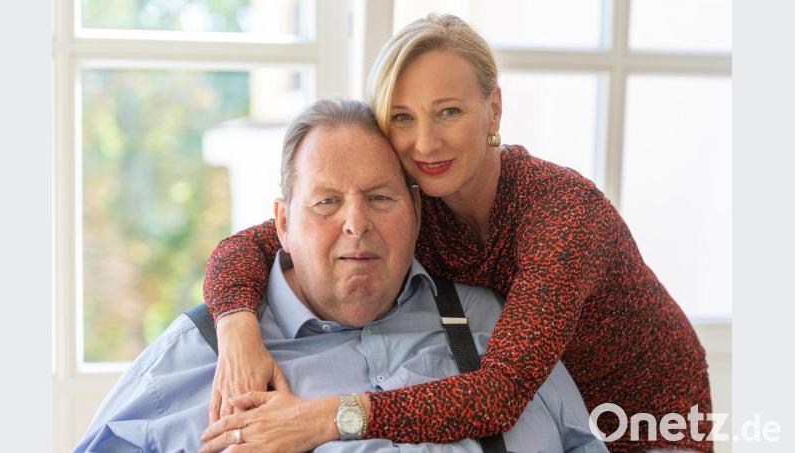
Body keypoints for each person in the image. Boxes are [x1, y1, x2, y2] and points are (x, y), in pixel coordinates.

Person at [203, 14, 713, 453]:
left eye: (449, 111)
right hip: (550, 412)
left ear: (493, 109)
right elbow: (250, 244)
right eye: (403, 117)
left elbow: (495, 396)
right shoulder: (418, 205)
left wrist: (319, 419)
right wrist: (236, 329)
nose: (426, 141)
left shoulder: (563, 215)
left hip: (647, 420)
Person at [74, 99, 606, 453]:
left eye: (379, 198)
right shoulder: (196, 359)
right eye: (326, 202)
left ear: (418, 214)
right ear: (281, 223)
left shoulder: (497, 326)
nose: (356, 224)